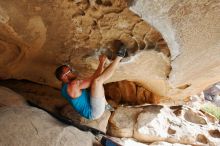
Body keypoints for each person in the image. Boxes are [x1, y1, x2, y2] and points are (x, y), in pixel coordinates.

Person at [55, 47, 127, 120]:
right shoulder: (73, 85)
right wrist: (101, 63)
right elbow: (95, 78)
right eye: (70, 70)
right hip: (93, 112)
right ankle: (120, 56)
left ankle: (105, 104)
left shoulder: (64, 87)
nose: (73, 70)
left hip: (90, 104)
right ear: (66, 76)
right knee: (97, 82)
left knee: (94, 86)